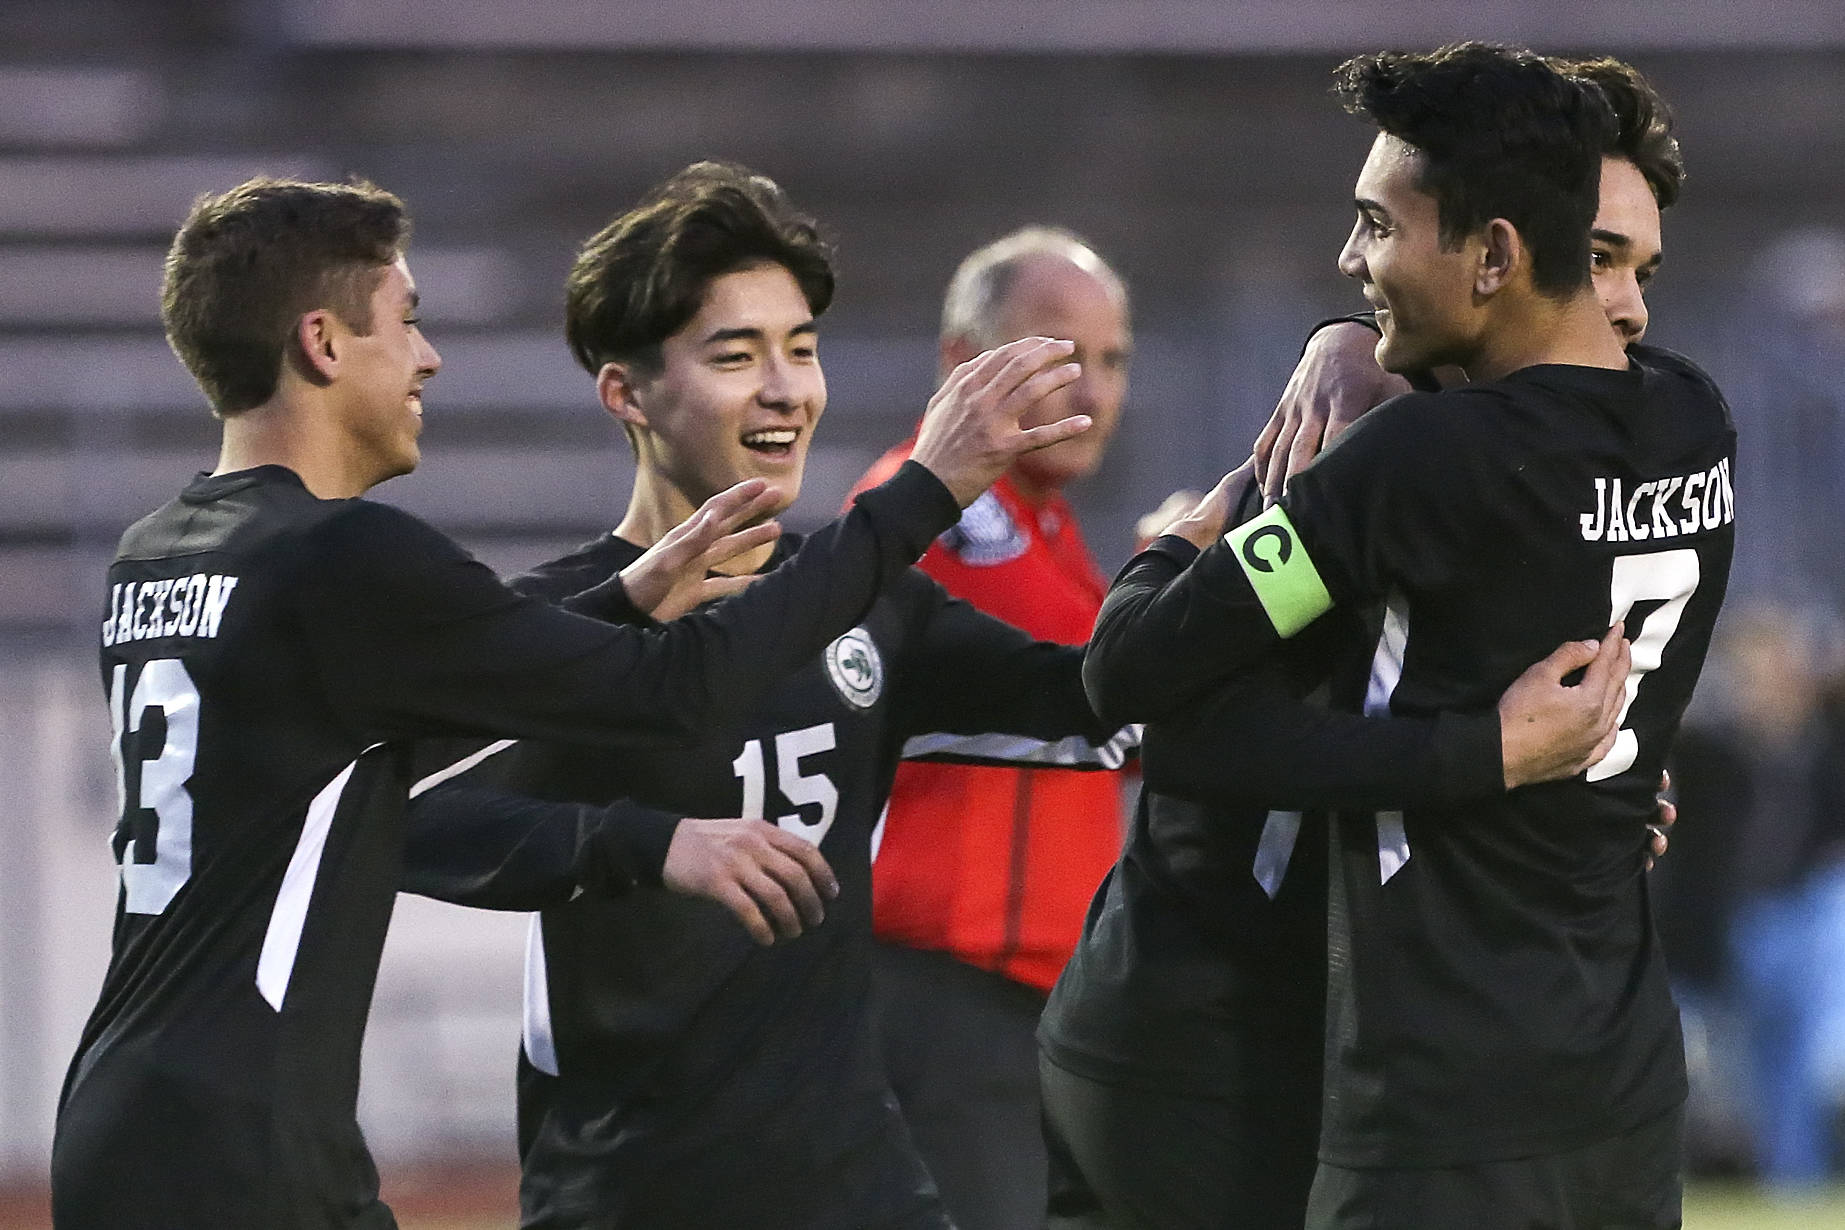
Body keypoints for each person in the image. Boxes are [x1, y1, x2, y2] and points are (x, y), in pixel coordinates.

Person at [51, 175, 1090, 1229]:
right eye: (405, 320)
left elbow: (386, 741)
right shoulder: (346, 558)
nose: (428, 356)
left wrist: (625, 600)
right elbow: (670, 696)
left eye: (801, 345)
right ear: (323, 343)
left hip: (137, 1099)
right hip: (249, 1138)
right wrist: (924, 494)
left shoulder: (161, 553)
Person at [399, 163, 1134, 1230]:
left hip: (852, 1182)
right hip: (634, 1188)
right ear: (628, 392)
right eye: (736, 355)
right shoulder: (567, 618)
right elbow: (408, 823)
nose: (786, 387)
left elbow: (1091, 692)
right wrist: (651, 844)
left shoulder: (865, 600)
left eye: (801, 348)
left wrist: (1259, 555)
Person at [1081, 43, 1735, 1230]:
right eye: (1605, 257)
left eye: (1378, 227)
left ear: (1495, 253)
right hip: (1625, 1086)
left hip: (1443, 1104)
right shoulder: (1697, 418)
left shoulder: (1415, 466)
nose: (1353, 259)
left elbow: (1132, 674)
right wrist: (1362, 341)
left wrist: (1190, 530)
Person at [846, 226, 1131, 1230]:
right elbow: (1098, 676)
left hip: (1026, 1009)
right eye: (1059, 354)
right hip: (945, 1002)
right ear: (962, 364)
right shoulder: (930, 515)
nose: (1091, 390)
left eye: (1112, 358)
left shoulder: (1047, 528)